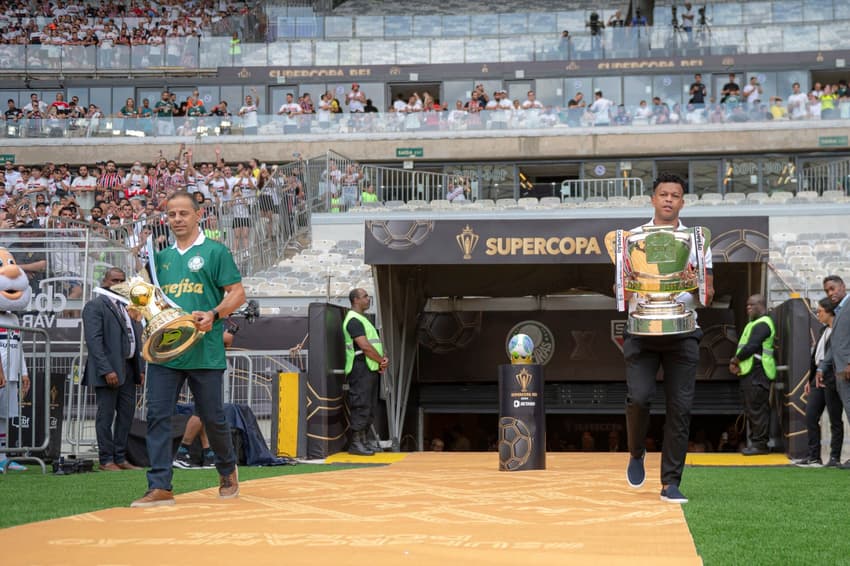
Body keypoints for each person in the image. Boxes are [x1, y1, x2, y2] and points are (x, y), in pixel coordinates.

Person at [131, 191, 246, 507]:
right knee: (157, 415)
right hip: (166, 352)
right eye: (171, 214)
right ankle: (160, 486)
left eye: (183, 213)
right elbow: (143, 301)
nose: (177, 219)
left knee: (212, 417)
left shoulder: (215, 251)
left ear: (198, 215)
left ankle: (226, 469)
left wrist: (215, 314)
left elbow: (237, 293)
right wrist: (138, 304)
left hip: (205, 350)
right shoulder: (158, 259)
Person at [623, 172, 714, 504]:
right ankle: (636, 452)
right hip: (641, 331)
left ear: (682, 201)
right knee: (639, 398)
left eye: (675, 196)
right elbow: (619, 289)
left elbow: (707, 295)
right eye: (663, 194)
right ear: (653, 198)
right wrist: (629, 282)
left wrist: (692, 282)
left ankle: (670, 483)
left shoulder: (697, 241)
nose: (668, 200)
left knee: (681, 409)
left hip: (683, 332)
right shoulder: (632, 238)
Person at [82, 267, 144, 471]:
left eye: (122, 280)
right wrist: (106, 369)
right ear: (104, 281)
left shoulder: (129, 307)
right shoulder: (95, 306)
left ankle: (120, 457)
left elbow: (136, 339)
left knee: (126, 415)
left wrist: (140, 368)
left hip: (128, 368)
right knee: (106, 415)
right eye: (114, 279)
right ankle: (106, 459)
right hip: (109, 370)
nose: (118, 283)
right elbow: (94, 342)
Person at [173, 327, 235, 469]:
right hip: (200, 364)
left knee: (203, 411)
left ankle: (208, 454)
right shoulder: (206, 316)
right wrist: (225, 336)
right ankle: (182, 452)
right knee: (202, 412)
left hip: (203, 362)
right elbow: (225, 340)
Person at [795, 297, 843, 467]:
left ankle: (835, 457)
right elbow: (817, 357)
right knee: (810, 416)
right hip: (817, 379)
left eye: (820, 311)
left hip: (832, 379)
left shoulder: (839, 331)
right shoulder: (823, 330)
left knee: (834, 419)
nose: (817, 314)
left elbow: (834, 357)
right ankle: (814, 456)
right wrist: (809, 379)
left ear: (829, 312)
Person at [343, 288, 388, 456]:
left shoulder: (363, 319)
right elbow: (365, 346)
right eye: (365, 297)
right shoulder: (353, 320)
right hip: (360, 368)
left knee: (369, 406)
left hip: (370, 367)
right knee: (361, 404)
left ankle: (363, 441)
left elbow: (373, 345)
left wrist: (382, 360)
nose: (368, 299)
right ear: (355, 300)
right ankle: (356, 443)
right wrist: (381, 360)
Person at [728, 294, 775, 455]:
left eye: (751, 305)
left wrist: (735, 360)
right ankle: (756, 443)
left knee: (757, 410)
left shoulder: (763, 324)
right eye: (747, 305)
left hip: (758, 373)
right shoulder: (754, 324)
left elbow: (751, 347)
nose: (748, 308)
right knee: (752, 409)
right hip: (751, 373)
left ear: (761, 305)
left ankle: (760, 445)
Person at [0, 248, 32, 472]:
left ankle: (3, 456)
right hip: (0, 373)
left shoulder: (12, 317)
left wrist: (24, 372)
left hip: (10, 375)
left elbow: (18, 348)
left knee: (4, 416)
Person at [816, 275, 850, 468]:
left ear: (843, 286)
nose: (830, 293)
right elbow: (836, 345)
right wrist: (822, 367)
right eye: (827, 291)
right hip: (839, 373)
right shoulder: (839, 311)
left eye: (833, 288)